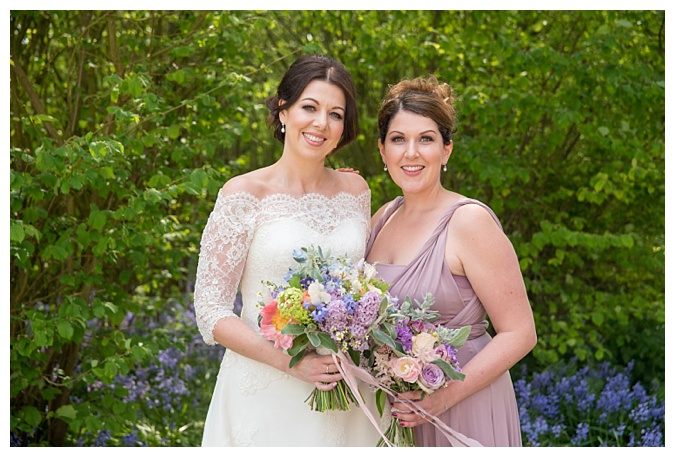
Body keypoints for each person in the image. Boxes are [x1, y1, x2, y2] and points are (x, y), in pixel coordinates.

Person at [193, 54, 384, 446]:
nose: (321, 123)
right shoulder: (243, 194)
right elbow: (210, 311)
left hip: (345, 391)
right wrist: (292, 363)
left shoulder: (356, 191)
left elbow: (363, 280)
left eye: (335, 114)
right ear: (283, 111)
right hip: (265, 391)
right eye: (309, 107)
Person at [365, 76, 537, 446]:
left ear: (446, 150)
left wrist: (440, 399)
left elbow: (520, 333)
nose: (411, 153)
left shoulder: (469, 221)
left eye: (426, 139)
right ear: (382, 151)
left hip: (462, 405)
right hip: (395, 411)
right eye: (398, 140)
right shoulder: (381, 219)